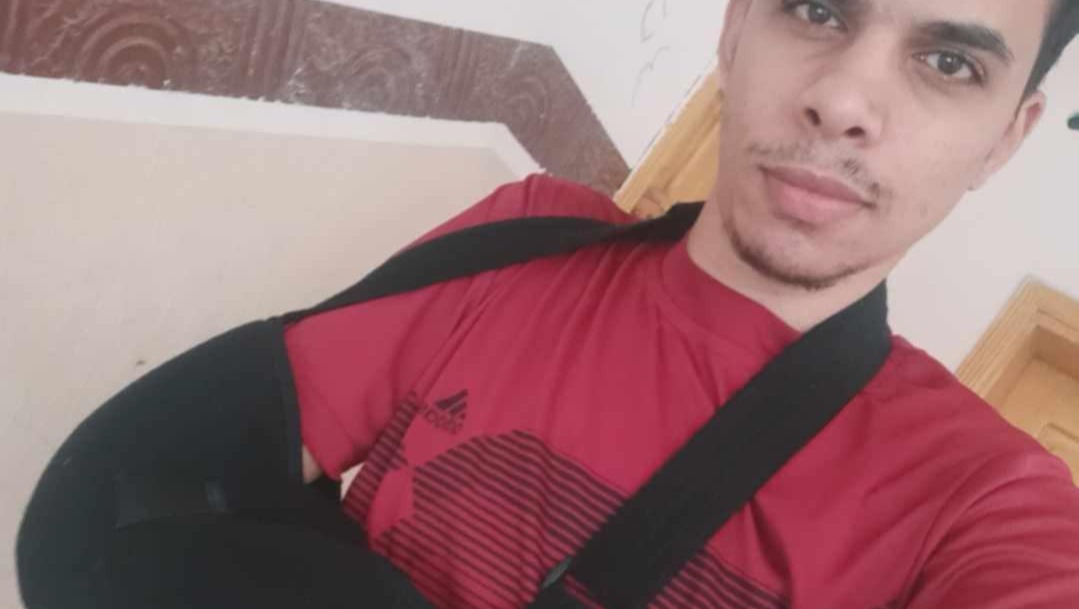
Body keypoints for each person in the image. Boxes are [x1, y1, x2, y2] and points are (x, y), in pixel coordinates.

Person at [288, 0, 1079, 607]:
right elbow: (226, 465)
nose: (842, 101)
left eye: (948, 62)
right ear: (733, 33)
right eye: (817, 11)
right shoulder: (522, 237)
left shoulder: (985, 501)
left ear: (1004, 140)